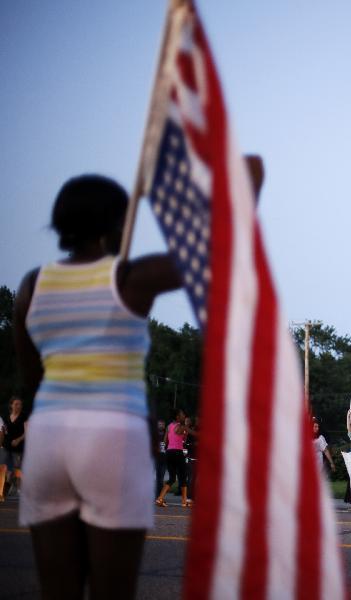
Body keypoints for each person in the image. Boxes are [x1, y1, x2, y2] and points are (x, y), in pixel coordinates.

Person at [12, 174, 182, 598]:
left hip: (48, 436)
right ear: (118, 222)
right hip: (112, 433)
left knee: (58, 591)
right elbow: (208, 256)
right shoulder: (129, 277)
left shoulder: (32, 284)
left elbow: (32, 380)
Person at [156, 409, 188, 508]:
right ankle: (184, 501)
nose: (184, 415)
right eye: (182, 414)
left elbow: (165, 441)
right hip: (178, 452)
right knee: (183, 476)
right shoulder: (181, 426)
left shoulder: (169, 426)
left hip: (169, 452)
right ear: (177, 417)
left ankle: (160, 498)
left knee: (172, 478)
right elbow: (184, 439)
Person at [0, 397, 27, 501]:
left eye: (19, 404)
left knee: (17, 469)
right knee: (5, 469)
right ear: (11, 405)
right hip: (6, 446)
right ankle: (5, 490)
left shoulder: (24, 416)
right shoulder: (6, 417)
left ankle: (18, 490)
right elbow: (4, 431)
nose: (17, 406)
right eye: (15, 404)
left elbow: (27, 432)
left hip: (18, 447)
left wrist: (18, 440)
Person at [183, 416, 199, 507]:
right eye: (197, 419)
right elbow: (186, 444)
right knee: (191, 479)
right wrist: (194, 445)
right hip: (192, 458)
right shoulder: (191, 431)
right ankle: (189, 498)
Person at [153, 418, 167, 500]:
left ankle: (160, 495)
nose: (161, 426)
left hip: (164, 459)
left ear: (164, 426)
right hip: (156, 458)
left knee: (161, 478)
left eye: (162, 424)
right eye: (159, 424)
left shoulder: (167, 434)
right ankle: (156, 495)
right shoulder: (155, 434)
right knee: (157, 477)